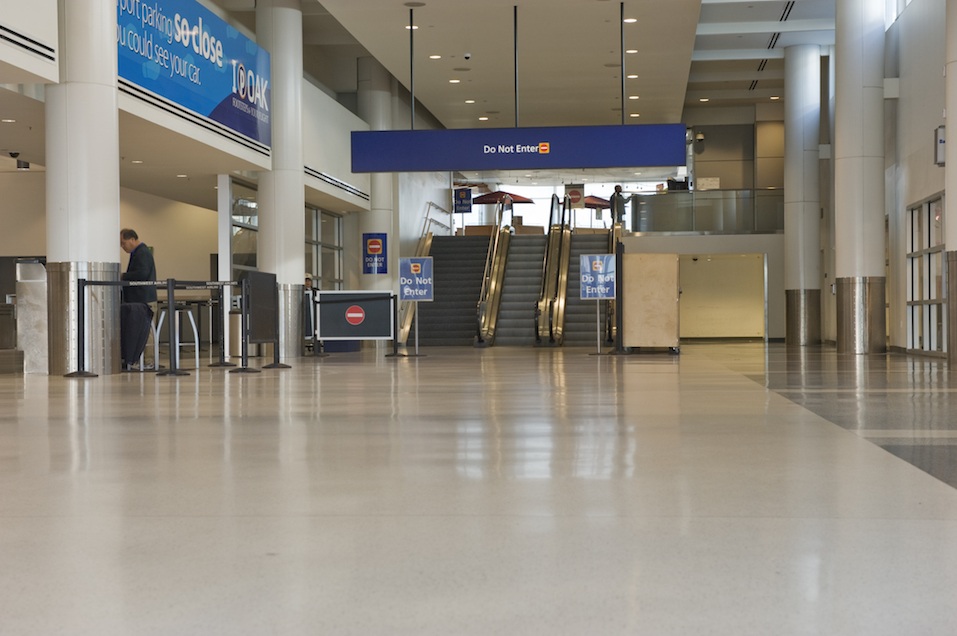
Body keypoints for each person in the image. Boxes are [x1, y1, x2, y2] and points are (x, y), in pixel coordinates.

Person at [119, 229, 157, 369]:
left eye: (123, 243)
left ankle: (148, 361)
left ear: (132, 239)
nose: (123, 247)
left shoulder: (143, 253)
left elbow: (142, 273)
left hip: (144, 298)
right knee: (141, 330)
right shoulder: (137, 253)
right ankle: (140, 360)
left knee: (147, 331)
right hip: (139, 298)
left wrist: (124, 276)